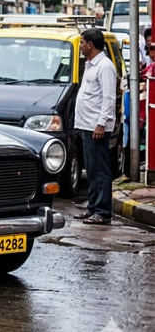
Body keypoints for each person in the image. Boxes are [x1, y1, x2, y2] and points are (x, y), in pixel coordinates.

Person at [74, 28, 118, 226]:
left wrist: (101, 124)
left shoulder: (105, 66)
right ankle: (93, 206)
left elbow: (108, 98)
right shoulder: (90, 65)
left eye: (82, 42)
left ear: (90, 45)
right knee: (91, 168)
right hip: (87, 124)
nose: (81, 46)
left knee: (100, 169)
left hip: (96, 127)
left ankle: (102, 211)